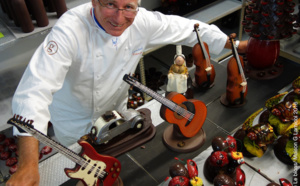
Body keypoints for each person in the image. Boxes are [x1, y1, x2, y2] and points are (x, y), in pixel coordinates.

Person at [6, 0, 248, 185]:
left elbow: (191, 29)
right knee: (86, 175)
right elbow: (33, 91)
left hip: (117, 115)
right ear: (94, 1)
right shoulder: (69, 31)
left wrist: (236, 46)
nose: (119, 17)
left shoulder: (142, 21)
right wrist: (28, 164)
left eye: (128, 7)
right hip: (75, 125)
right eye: (110, 4)